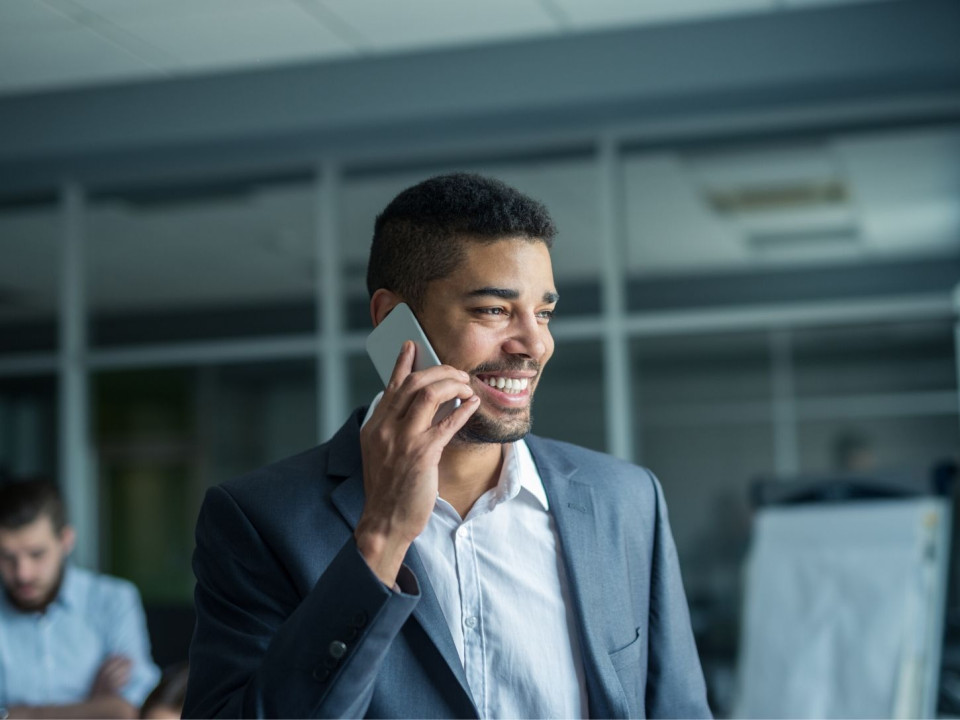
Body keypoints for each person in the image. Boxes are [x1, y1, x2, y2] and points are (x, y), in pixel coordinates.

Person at [184, 173, 711, 718]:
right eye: (493, 310)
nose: (535, 344)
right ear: (393, 320)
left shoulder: (626, 499)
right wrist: (381, 539)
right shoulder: (260, 519)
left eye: (544, 312)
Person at [0, 478, 160, 719]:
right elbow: (113, 712)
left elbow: (133, 709)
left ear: (66, 540)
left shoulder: (114, 600)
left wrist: (19, 714)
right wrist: (95, 706)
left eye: (37, 554)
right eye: (7, 557)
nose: (23, 573)